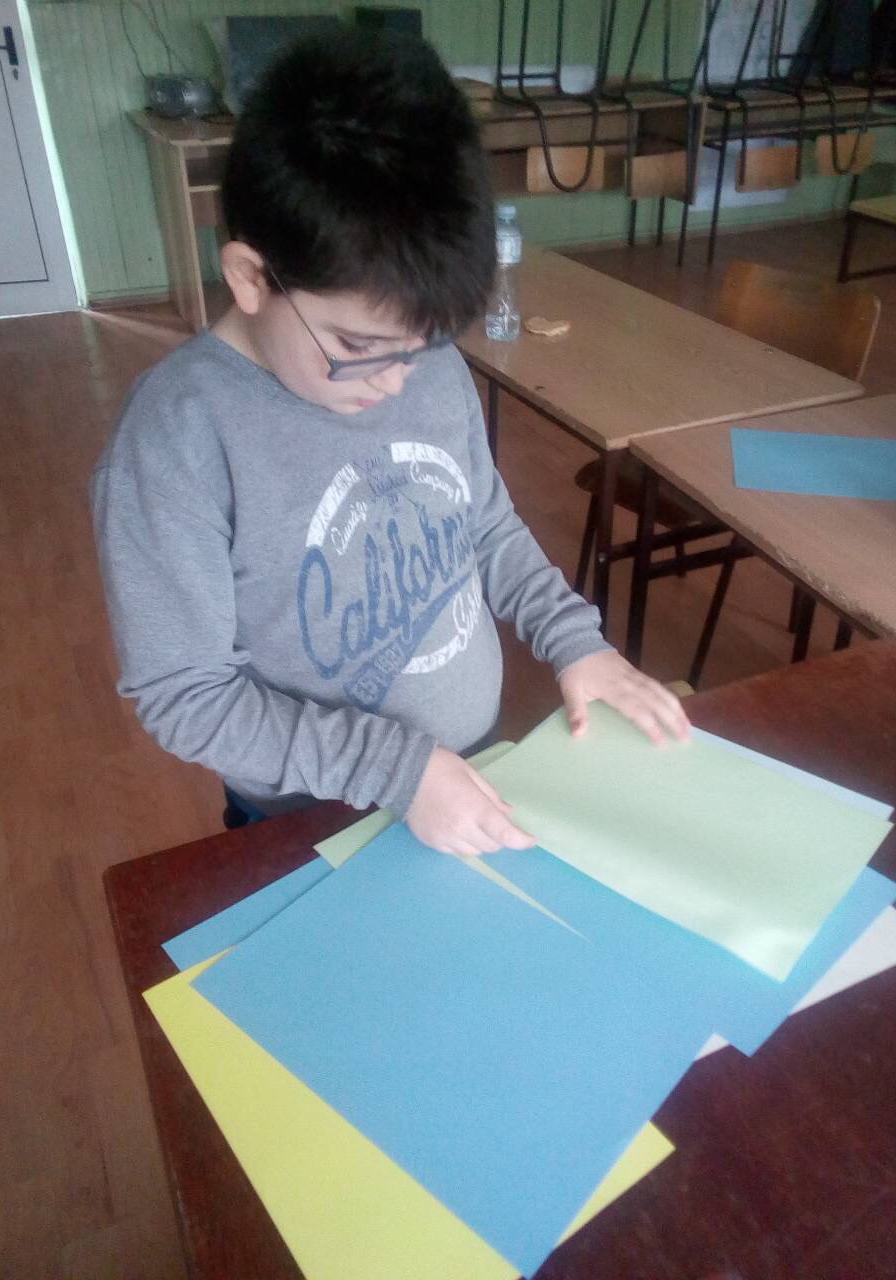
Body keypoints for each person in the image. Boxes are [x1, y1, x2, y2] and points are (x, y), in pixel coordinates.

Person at [91, 27, 689, 859]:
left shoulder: (421, 360)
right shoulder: (175, 441)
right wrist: (399, 771)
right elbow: (187, 696)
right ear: (252, 278)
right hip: (307, 815)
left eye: (425, 343)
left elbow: (484, 526)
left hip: (466, 767)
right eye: (360, 348)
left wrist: (574, 642)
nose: (399, 382)